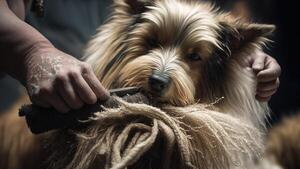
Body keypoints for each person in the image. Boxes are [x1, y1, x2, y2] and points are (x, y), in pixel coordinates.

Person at [0, 0, 281, 113]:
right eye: (151, 44)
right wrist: (33, 51)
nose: (161, 73)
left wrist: (245, 64)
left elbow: (225, 21)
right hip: (27, 95)